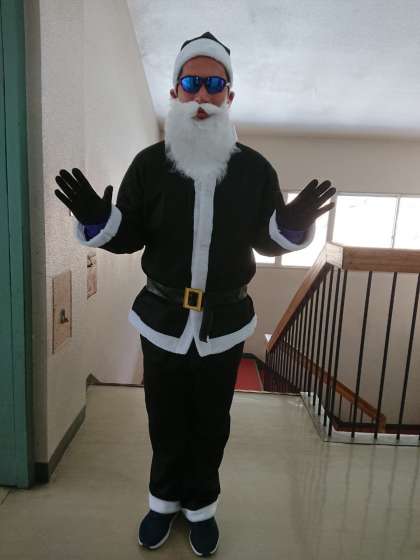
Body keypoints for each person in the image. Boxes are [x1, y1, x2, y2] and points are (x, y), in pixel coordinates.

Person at [54, 31, 336, 557]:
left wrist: (293, 225)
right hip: (161, 319)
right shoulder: (148, 164)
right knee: (164, 418)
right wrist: (98, 220)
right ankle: (162, 502)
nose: (202, 95)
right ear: (175, 92)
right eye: (191, 84)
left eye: (213, 84)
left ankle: (201, 506)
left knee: (211, 422)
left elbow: (266, 238)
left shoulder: (254, 169)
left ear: (229, 96)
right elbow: (129, 234)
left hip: (225, 324)